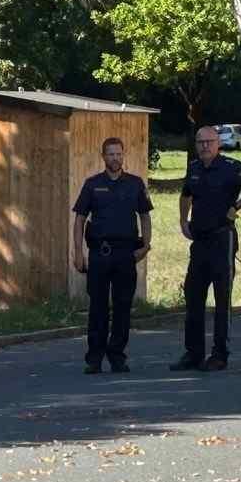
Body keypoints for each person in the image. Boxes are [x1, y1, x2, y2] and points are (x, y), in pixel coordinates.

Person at [174, 124, 241, 372]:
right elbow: (185, 195)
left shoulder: (231, 167)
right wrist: (184, 221)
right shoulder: (194, 168)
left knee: (221, 298)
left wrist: (237, 206)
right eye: (200, 142)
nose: (205, 146)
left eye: (209, 142)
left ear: (218, 144)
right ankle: (193, 354)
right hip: (200, 241)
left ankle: (219, 355)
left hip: (222, 239)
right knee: (193, 296)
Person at [70, 136, 152, 374]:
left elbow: (145, 216)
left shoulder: (135, 184)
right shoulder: (92, 184)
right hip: (99, 254)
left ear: (123, 155)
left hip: (126, 254)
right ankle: (94, 358)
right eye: (111, 154)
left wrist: (146, 245)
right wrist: (78, 252)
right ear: (103, 156)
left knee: (123, 306)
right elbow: (79, 219)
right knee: (97, 307)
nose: (115, 158)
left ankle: (117, 356)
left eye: (119, 154)